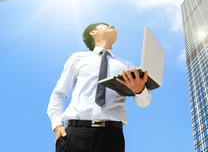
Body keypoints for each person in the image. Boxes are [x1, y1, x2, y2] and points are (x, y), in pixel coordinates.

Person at [47, 22, 151, 152]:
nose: (113, 26)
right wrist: (57, 125)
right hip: (75, 134)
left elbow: (144, 102)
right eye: (107, 25)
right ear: (93, 32)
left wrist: (139, 90)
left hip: (111, 138)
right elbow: (59, 94)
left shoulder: (127, 65)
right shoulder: (77, 58)